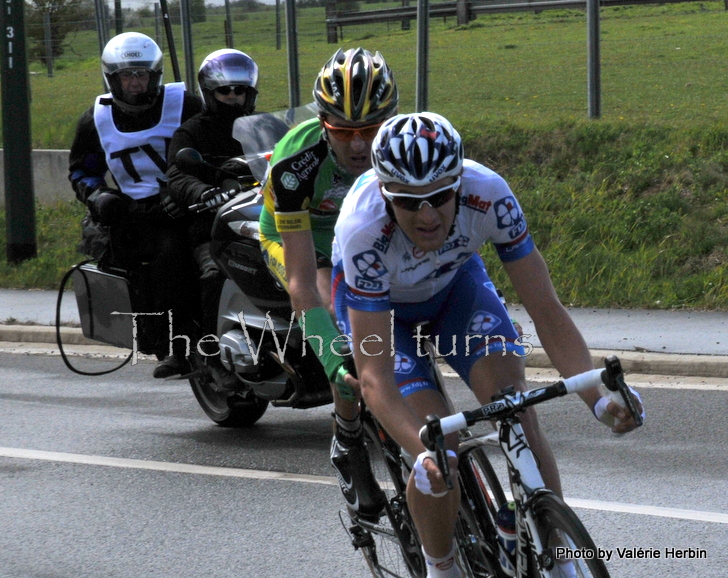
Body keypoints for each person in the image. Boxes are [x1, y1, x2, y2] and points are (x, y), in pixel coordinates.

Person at [331, 112, 645, 578]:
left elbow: (547, 312)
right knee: (441, 442)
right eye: (409, 203)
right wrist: (420, 454)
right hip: (384, 313)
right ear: (384, 194)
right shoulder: (363, 233)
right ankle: (443, 568)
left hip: (455, 288)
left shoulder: (489, 194)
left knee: (515, 407)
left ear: (459, 183)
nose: (428, 215)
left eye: (440, 197)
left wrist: (597, 400)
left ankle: (556, 551)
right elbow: (375, 380)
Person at [258, 47, 399, 521]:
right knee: (345, 329)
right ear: (323, 124)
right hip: (302, 239)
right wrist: (333, 358)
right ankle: (347, 435)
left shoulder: (404, 146)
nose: (359, 146)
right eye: (342, 132)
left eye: (371, 130)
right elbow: (301, 284)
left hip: (362, 231)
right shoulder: (297, 162)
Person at [68, 32, 203, 379]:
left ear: (155, 75)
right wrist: (98, 196)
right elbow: (82, 170)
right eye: (127, 76)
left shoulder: (185, 104)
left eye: (141, 74)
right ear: (112, 78)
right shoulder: (95, 119)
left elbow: (217, 136)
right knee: (170, 252)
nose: (135, 84)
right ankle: (176, 346)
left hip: (192, 197)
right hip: (139, 213)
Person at [165, 48, 260, 360]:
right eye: (225, 91)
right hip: (214, 227)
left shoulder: (262, 127)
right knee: (215, 274)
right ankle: (210, 352)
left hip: (263, 222)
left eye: (240, 90)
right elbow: (177, 174)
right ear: (209, 93)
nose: (233, 96)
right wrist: (203, 192)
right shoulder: (192, 131)